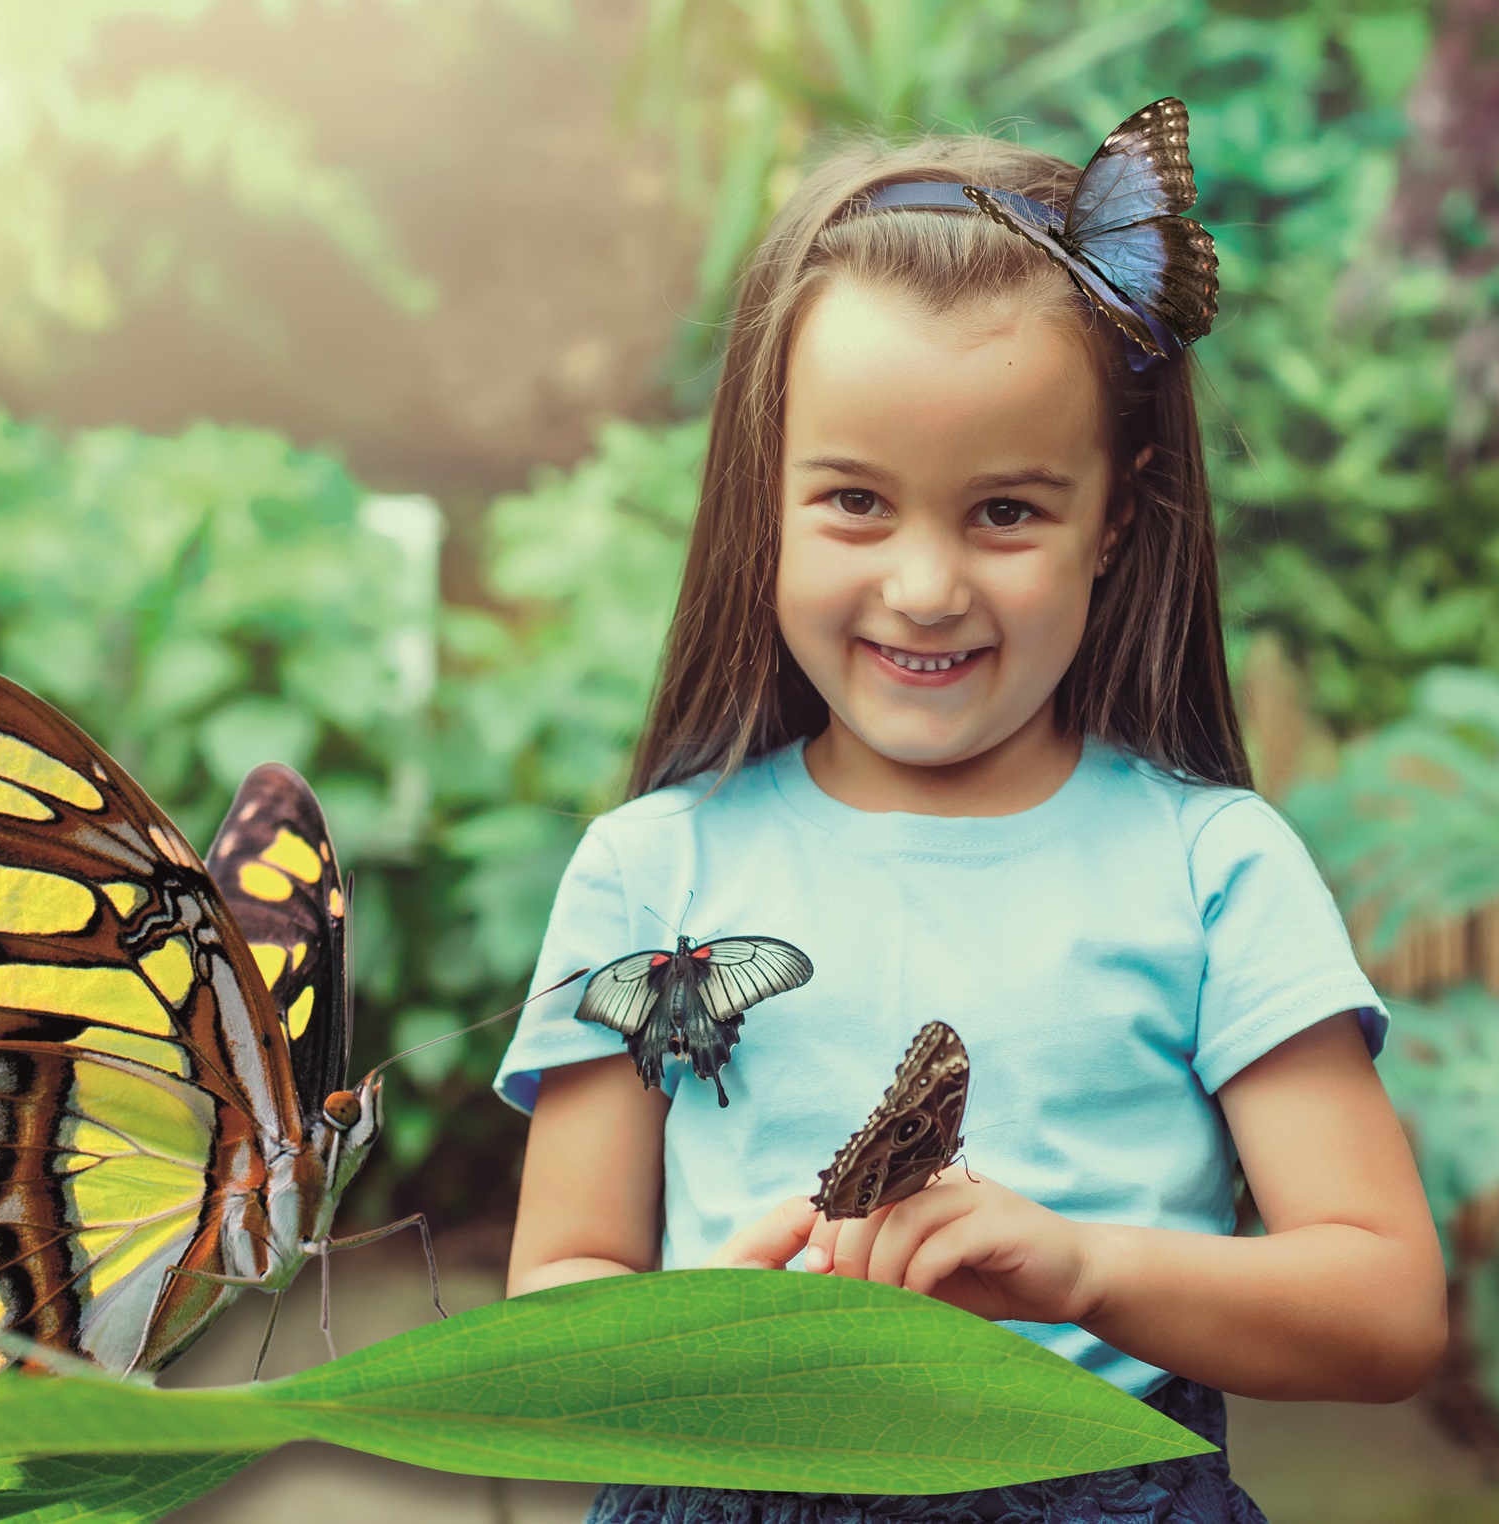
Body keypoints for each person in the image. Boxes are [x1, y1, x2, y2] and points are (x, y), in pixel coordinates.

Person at [492, 109, 1447, 1524]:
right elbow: (554, 1299)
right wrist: (696, 1333)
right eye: (856, 503)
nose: (927, 586)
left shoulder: (1214, 868)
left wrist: (1084, 1270)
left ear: (1115, 518)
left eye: (1004, 511)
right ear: (765, 502)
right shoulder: (650, 869)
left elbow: (1386, 1306)